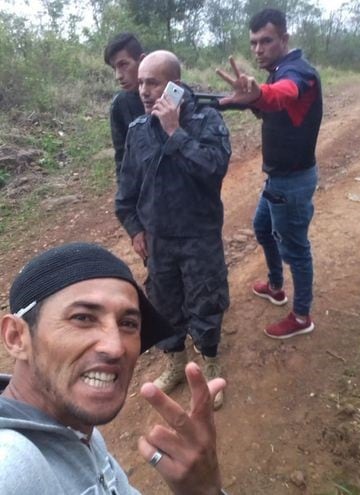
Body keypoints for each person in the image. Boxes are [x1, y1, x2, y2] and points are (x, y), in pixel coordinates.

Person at [0, 242, 228, 495]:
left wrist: (203, 490)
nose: (115, 347)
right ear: (16, 337)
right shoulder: (12, 467)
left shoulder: (79, 431)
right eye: (82, 318)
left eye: (128, 323)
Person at [115, 50, 231, 410]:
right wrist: (135, 229)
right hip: (159, 241)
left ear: (176, 86)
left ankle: (209, 361)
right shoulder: (138, 131)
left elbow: (214, 168)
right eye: (141, 83)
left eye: (153, 82)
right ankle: (176, 362)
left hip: (199, 236)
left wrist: (174, 132)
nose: (143, 90)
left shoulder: (206, 121)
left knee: (206, 300)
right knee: (163, 304)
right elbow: (127, 191)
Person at [216, 8, 322, 339]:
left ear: (284, 39)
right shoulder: (277, 70)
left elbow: (282, 95)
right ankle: (276, 286)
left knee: (296, 249)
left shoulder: (298, 74)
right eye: (254, 43)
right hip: (277, 179)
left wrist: (259, 94)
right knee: (262, 227)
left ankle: (302, 315)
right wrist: (229, 102)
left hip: (292, 182)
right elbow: (270, 106)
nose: (259, 49)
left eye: (266, 41)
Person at [104, 32, 145, 182]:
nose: (118, 76)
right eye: (114, 68)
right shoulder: (120, 105)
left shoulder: (174, 92)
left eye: (123, 65)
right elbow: (122, 158)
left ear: (142, 61)